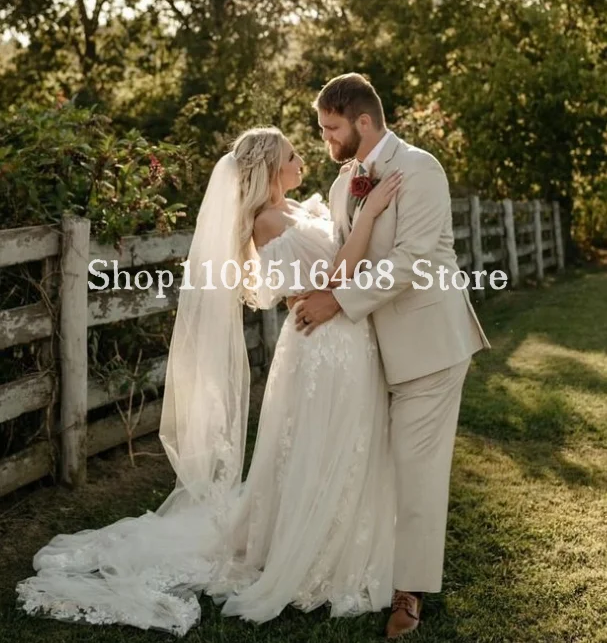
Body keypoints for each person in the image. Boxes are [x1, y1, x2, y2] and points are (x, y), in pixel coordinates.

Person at [15, 126, 402, 636]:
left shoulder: (297, 210)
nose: (301, 162)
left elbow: (324, 263)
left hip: (344, 342)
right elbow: (331, 279)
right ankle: (306, 552)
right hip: (320, 347)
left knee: (347, 445)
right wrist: (369, 213)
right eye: (291, 156)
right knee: (315, 446)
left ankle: (345, 537)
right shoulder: (264, 221)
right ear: (269, 167)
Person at [293, 72, 491, 638]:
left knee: (416, 470)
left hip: (428, 345)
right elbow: (344, 255)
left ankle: (409, 591)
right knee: (374, 462)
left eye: (331, 129)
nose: (326, 141)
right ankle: (371, 565)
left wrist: (335, 301)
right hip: (368, 348)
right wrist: (309, 283)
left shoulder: (421, 169)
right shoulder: (341, 185)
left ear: (362, 121)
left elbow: (411, 264)